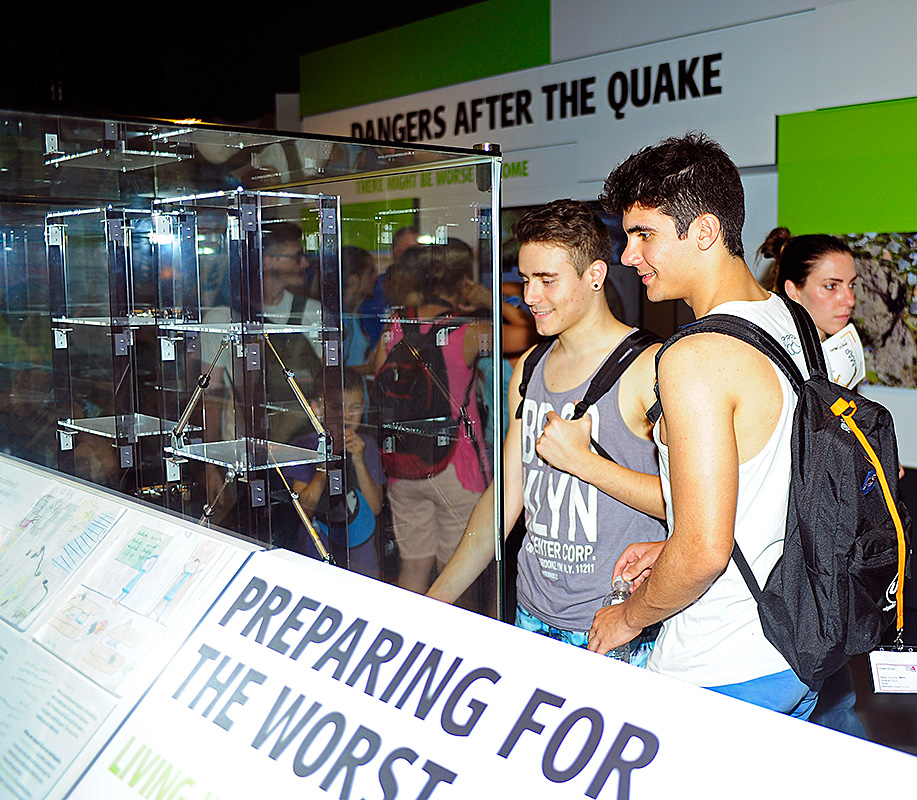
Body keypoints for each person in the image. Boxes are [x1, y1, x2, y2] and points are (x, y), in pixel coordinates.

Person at [592, 132, 819, 718]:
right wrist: (673, 544)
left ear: (705, 232)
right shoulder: (790, 319)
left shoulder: (694, 357)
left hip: (721, 666)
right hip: (797, 645)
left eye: (644, 234)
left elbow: (703, 553)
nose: (627, 256)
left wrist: (626, 618)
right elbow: (768, 482)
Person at [427, 199, 665, 656]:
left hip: (613, 624)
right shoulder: (529, 367)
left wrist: (583, 462)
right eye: (525, 279)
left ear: (595, 275)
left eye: (547, 280)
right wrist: (438, 598)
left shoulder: (647, 368)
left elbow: (689, 505)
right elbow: (505, 497)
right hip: (531, 613)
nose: (530, 297)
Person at [758, 227, 867, 737]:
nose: (848, 299)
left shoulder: (842, 351)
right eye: (831, 286)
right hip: (780, 555)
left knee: (835, 695)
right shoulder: (769, 359)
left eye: (851, 285)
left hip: (828, 546)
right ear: (792, 290)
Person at [373, 240, 493, 597]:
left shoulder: (398, 323)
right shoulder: (468, 330)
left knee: (412, 570)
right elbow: (524, 332)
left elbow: (378, 378)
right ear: (464, 281)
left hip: (404, 464)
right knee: (456, 577)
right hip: (457, 467)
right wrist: (487, 301)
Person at [285, 367, 385, 578]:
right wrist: (326, 463)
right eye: (338, 408)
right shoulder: (303, 446)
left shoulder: (366, 444)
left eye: (355, 407)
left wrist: (359, 461)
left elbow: (375, 507)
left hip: (361, 559)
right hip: (316, 559)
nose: (347, 416)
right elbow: (303, 511)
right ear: (317, 409)